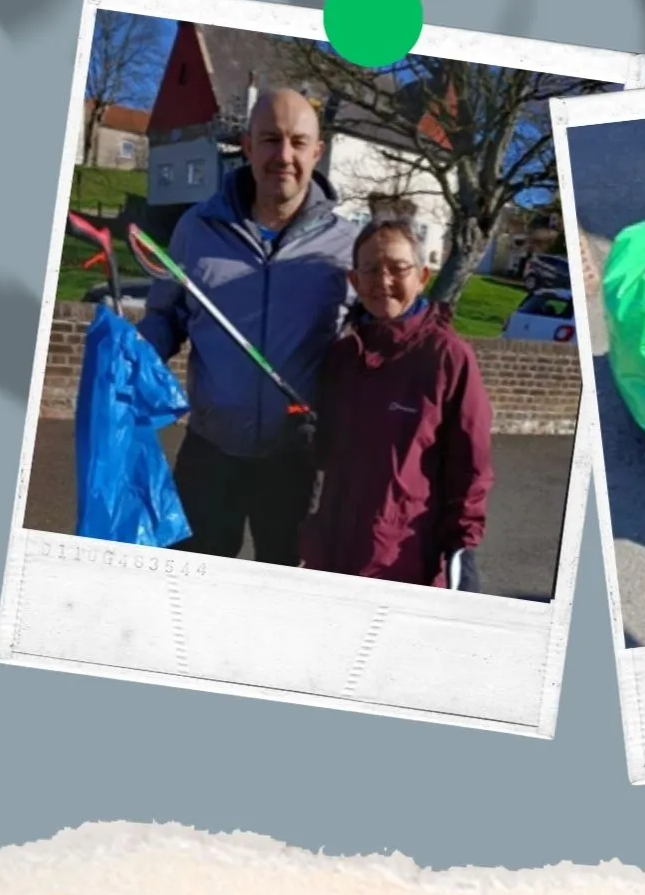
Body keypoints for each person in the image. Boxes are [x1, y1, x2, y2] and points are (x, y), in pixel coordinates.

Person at [139, 87, 357, 564]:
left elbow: (377, 341)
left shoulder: (346, 246)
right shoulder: (197, 228)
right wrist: (132, 359)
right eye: (270, 139)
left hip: (297, 460)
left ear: (317, 152)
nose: (284, 155)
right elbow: (165, 316)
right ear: (247, 144)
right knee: (189, 583)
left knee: (285, 589)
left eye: (299, 142)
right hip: (210, 452)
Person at [300, 219, 494, 590]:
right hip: (332, 552)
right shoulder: (342, 357)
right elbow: (327, 455)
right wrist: (311, 437)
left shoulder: (447, 358)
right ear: (354, 282)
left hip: (403, 561)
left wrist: (460, 550)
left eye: (397, 268)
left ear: (422, 276)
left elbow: (471, 467)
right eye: (370, 270)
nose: (383, 281)